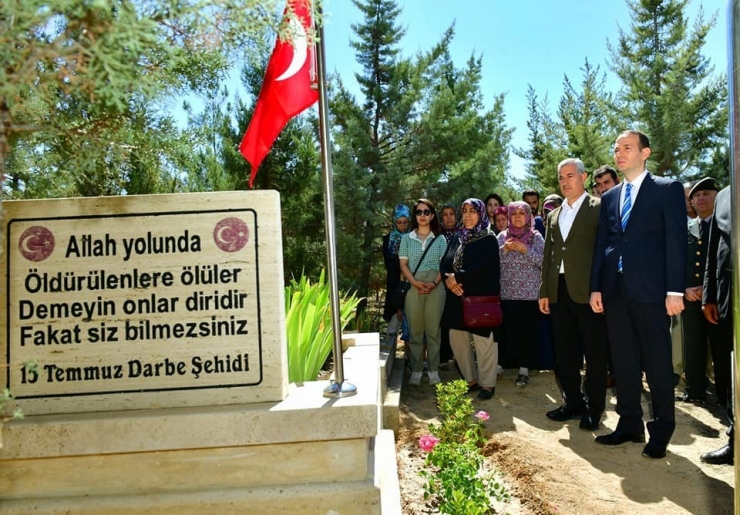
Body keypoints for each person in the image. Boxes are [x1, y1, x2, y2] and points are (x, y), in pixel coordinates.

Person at [589, 130, 687, 459]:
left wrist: (674, 290)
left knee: (658, 366)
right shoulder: (611, 197)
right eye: (616, 149)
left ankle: (660, 431)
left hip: (653, 294)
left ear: (645, 152)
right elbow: (603, 245)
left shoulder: (667, 189)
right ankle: (629, 423)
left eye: (627, 148)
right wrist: (596, 287)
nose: (619, 153)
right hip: (616, 294)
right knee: (624, 363)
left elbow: (676, 241)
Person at [540, 158, 608, 430]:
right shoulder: (553, 215)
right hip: (559, 293)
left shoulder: (600, 208)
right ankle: (573, 402)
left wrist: (600, 287)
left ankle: (594, 408)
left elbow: (606, 252)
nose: (565, 181)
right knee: (565, 353)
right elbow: (548, 255)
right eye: (561, 178)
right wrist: (545, 290)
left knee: (594, 354)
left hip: (590, 293)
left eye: (570, 175)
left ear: (584, 177)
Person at [440, 198, 501, 399]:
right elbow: (445, 262)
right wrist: (448, 279)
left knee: (484, 343)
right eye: (464, 210)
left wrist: (457, 278)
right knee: (457, 341)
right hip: (456, 299)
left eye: (472, 211)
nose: (467, 215)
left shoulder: (489, 238)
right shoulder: (458, 236)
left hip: (479, 299)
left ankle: (487, 384)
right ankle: (470, 379)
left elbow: (483, 269)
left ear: (481, 214)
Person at [676, 177, 719, 404]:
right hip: (691, 298)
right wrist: (684, 289)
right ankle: (694, 390)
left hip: (718, 299)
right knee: (693, 345)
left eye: (706, 194)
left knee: (720, 349)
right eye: (696, 195)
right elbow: (679, 262)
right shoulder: (686, 228)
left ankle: (726, 396)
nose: (700, 198)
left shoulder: (725, 225)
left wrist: (710, 288)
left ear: (717, 197)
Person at [700, 185, 734, 465]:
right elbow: (713, 251)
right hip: (725, 299)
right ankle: (736, 437)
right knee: (730, 368)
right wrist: (709, 296)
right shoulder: (724, 195)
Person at [399, 199, 447, 386]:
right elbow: (403, 265)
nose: (422, 215)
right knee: (416, 331)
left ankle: (433, 370)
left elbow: (444, 266)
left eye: (426, 212)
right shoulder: (406, 239)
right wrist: (415, 283)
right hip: (413, 287)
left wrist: (434, 284)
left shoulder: (440, 239)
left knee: (433, 330)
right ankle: (417, 370)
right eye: (419, 212)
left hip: (436, 286)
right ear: (415, 215)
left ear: (432, 215)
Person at [498, 201, 544, 387]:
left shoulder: (536, 238)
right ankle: (501, 365)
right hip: (506, 293)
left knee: (526, 333)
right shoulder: (502, 236)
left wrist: (525, 250)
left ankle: (524, 370)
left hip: (529, 294)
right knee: (505, 332)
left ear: (528, 216)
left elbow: (542, 262)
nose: (518, 217)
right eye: (514, 213)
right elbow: (493, 260)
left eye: (521, 213)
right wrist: (505, 249)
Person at [382, 205, 410, 342]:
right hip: (394, 283)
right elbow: (388, 263)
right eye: (399, 222)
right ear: (395, 221)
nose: (402, 225)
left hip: (411, 282)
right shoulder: (388, 239)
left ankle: (410, 358)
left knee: (410, 324)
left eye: (405, 222)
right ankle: (390, 356)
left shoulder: (414, 237)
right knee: (393, 323)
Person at [438, 203, 459, 366]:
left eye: (451, 214)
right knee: (441, 320)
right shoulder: (436, 235)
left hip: (458, 281)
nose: (449, 217)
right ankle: (443, 355)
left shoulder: (463, 234)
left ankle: (458, 356)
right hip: (439, 281)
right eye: (445, 214)